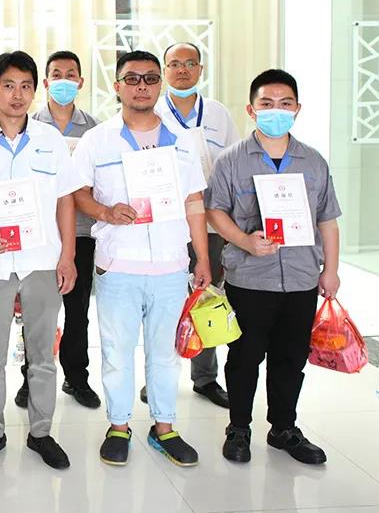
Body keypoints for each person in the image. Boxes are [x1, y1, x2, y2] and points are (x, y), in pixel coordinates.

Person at [71, 49, 211, 468]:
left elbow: (194, 202)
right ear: (117, 87)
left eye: (150, 78)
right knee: (116, 352)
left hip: (170, 265)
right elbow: (78, 193)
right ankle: (118, 425)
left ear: (160, 85)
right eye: (132, 79)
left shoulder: (183, 141)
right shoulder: (98, 139)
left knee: (165, 353)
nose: (141, 86)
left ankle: (164, 427)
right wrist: (105, 211)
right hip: (119, 265)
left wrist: (202, 259)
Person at [206, 69, 340, 465]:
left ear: (297, 109)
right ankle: (239, 428)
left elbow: (328, 220)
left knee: (291, 358)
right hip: (249, 278)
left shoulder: (313, 162)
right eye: (266, 103)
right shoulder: (231, 160)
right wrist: (245, 240)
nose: (275, 110)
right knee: (244, 357)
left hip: (301, 277)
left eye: (285, 104)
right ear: (251, 110)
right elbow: (215, 212)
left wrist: (331, 270)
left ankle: (284, 428)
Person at [0, 50, 76, 470]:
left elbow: (65, 200)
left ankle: (41, 433)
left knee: (42, 353)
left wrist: (68, 256)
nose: (17, 95)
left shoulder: (50, 141)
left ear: (35, 90)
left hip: (42, 260)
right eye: (8, 86)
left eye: (25, 86)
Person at [148, 41, 240, 410]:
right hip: (166, 223)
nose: (182, 70)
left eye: (190, 63)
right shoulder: (151, 112)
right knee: (164, 301)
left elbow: (233, 166)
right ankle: (158, 377)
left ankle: (205, 377)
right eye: (175, 64)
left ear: (200, 69)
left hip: (212, 221)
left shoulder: (218, 114)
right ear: (165, 70)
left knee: (208, 296)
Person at [17, 50, 101, 410]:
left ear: (80, 82)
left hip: (80, 232)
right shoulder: (29, 124)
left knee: (77, 310)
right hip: (38, 234)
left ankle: (76, 377)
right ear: (46, 82)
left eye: (71, 74)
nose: (63, 80)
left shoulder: (95, 129)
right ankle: (30, 378)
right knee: (35, 311)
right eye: (56, 74)